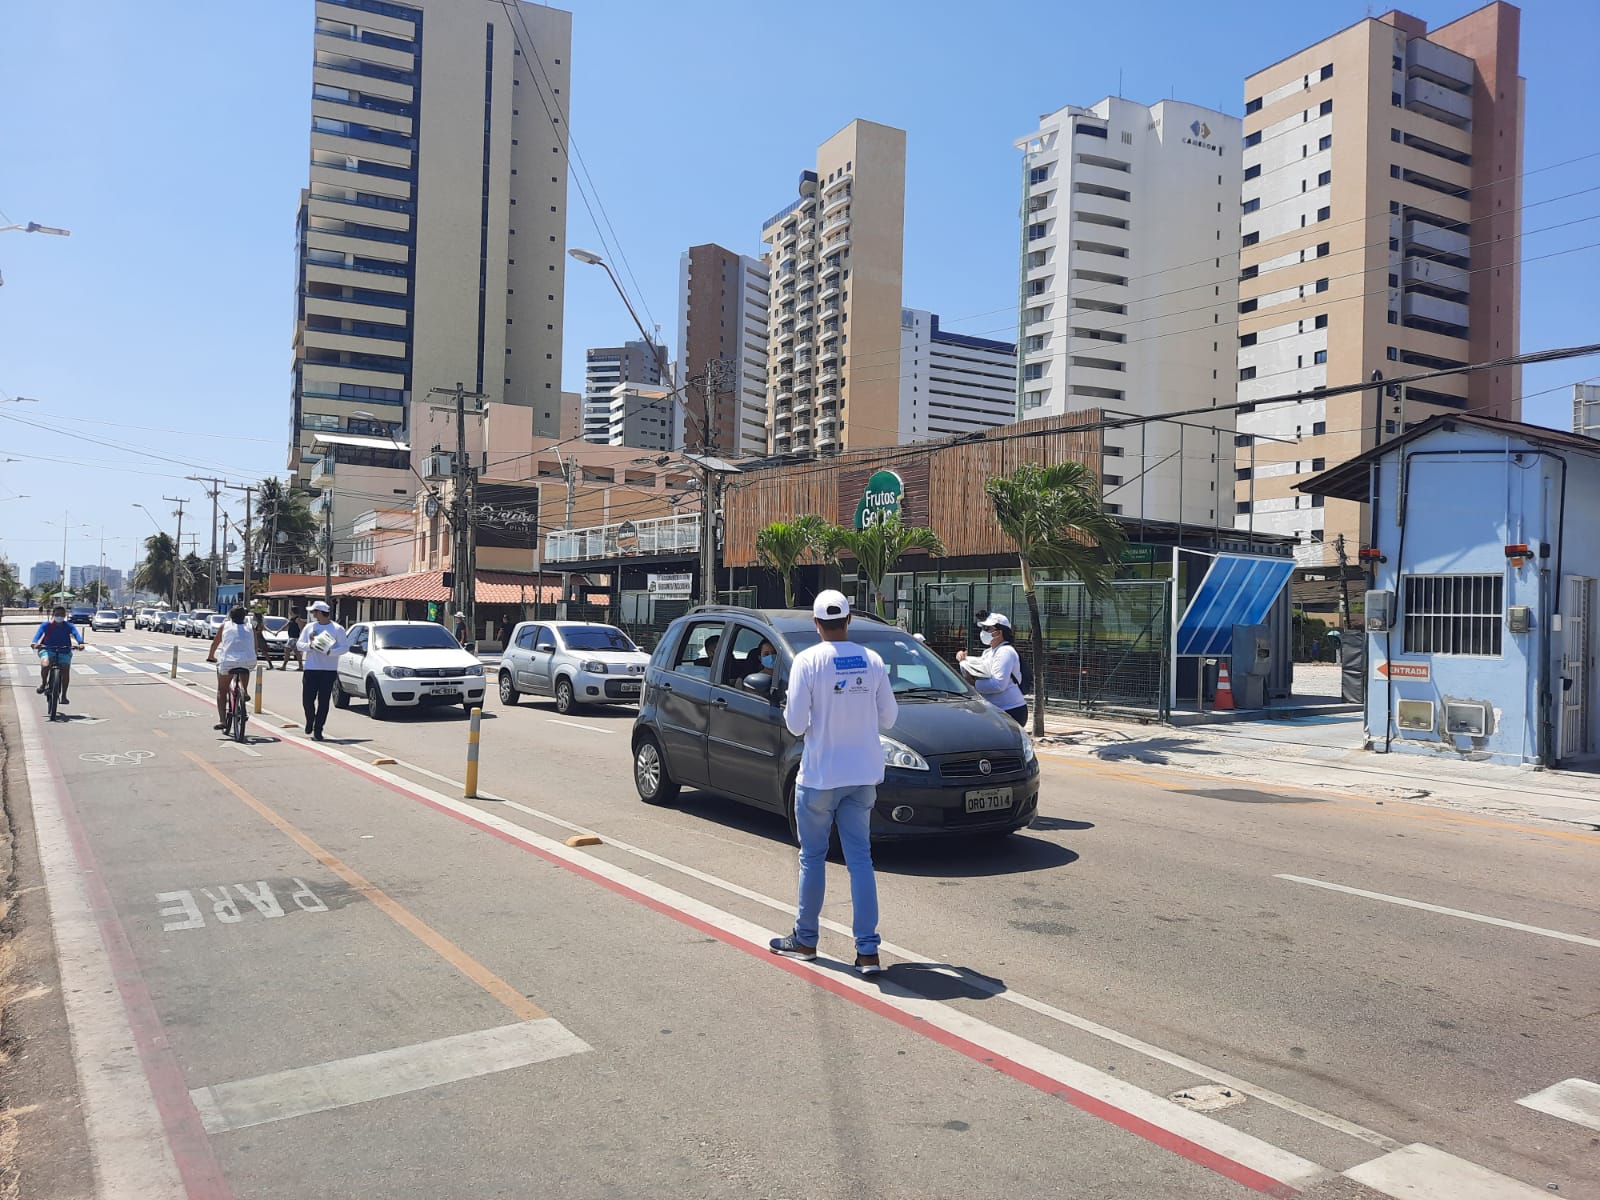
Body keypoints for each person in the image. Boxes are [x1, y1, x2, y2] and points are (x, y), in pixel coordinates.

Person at [769, 589, 898, 975]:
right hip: (862, 776)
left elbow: (795, 724)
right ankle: (868, 951)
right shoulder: (872, 660)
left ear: (816, 624)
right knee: (860, 860)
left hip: (820, 776)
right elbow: (889, 718)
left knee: (812, 857)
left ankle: (806, 940)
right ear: (848, 620)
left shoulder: (807, 661)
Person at [956, 612, 1028, 726]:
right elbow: (982, 667)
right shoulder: (989, 652)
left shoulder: (1005, 652)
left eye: (987, 628)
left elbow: (998, 684)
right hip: (996, 710)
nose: (983, 632)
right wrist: (963, 659)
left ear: (999, 632)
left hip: (1010, 711)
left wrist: (973, 684)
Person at [296, 600, 350, 741]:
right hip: (311, 668)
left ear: (320, 612)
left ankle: (318, 729)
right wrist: (310, 646)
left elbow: (344, 647)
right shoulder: (309, 627)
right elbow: (299, 644)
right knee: (307, 700)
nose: (313, 614)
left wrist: (330, 652)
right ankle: (310, 719)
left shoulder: (337, 629)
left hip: (328, 670)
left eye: (314, 612)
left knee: (324, 701)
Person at [206, 605, 265, 730]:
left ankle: (222, 720)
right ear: (244, 617)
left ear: (230, 616)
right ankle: (244, 691)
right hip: (248, 660)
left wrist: (211, 656)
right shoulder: (250, 627)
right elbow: (255, 646)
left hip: (228, 661)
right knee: (245, 668)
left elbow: (215, 644)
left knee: (222, 690)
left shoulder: (225, 626)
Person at [32, 605, 86, 705]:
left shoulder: (69, 626)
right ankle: (43, 684)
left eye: (62, 614)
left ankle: (64, 696)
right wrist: (34, 643)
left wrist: (81, 643)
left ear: (65, 615)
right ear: (53, 614)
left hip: (64, 651)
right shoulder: (46, 625)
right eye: (57, 614)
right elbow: (38, 634)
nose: (59, 616)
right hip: (47, 649)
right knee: (45, 665)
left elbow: (76, 634)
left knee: (65, 671)